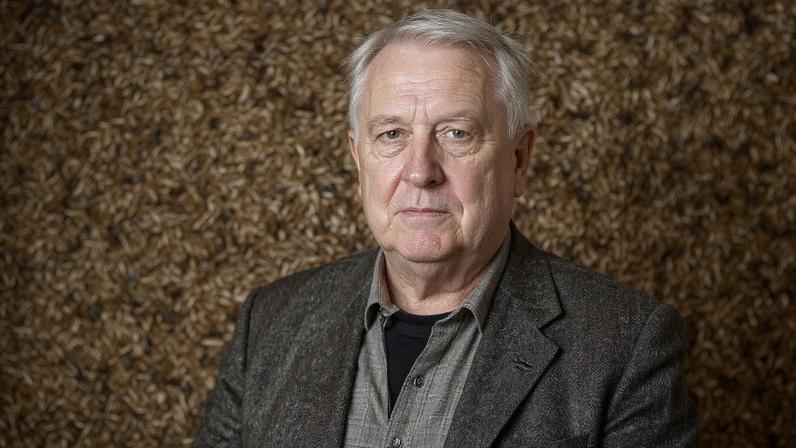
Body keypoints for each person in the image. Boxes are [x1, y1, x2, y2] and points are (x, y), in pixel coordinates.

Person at [194, 9, 698, 448]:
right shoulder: (270, 323)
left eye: (456, 133)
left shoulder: (626, 344)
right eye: (391, 134)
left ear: (519, 160)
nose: (420, 170)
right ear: (358, 158)